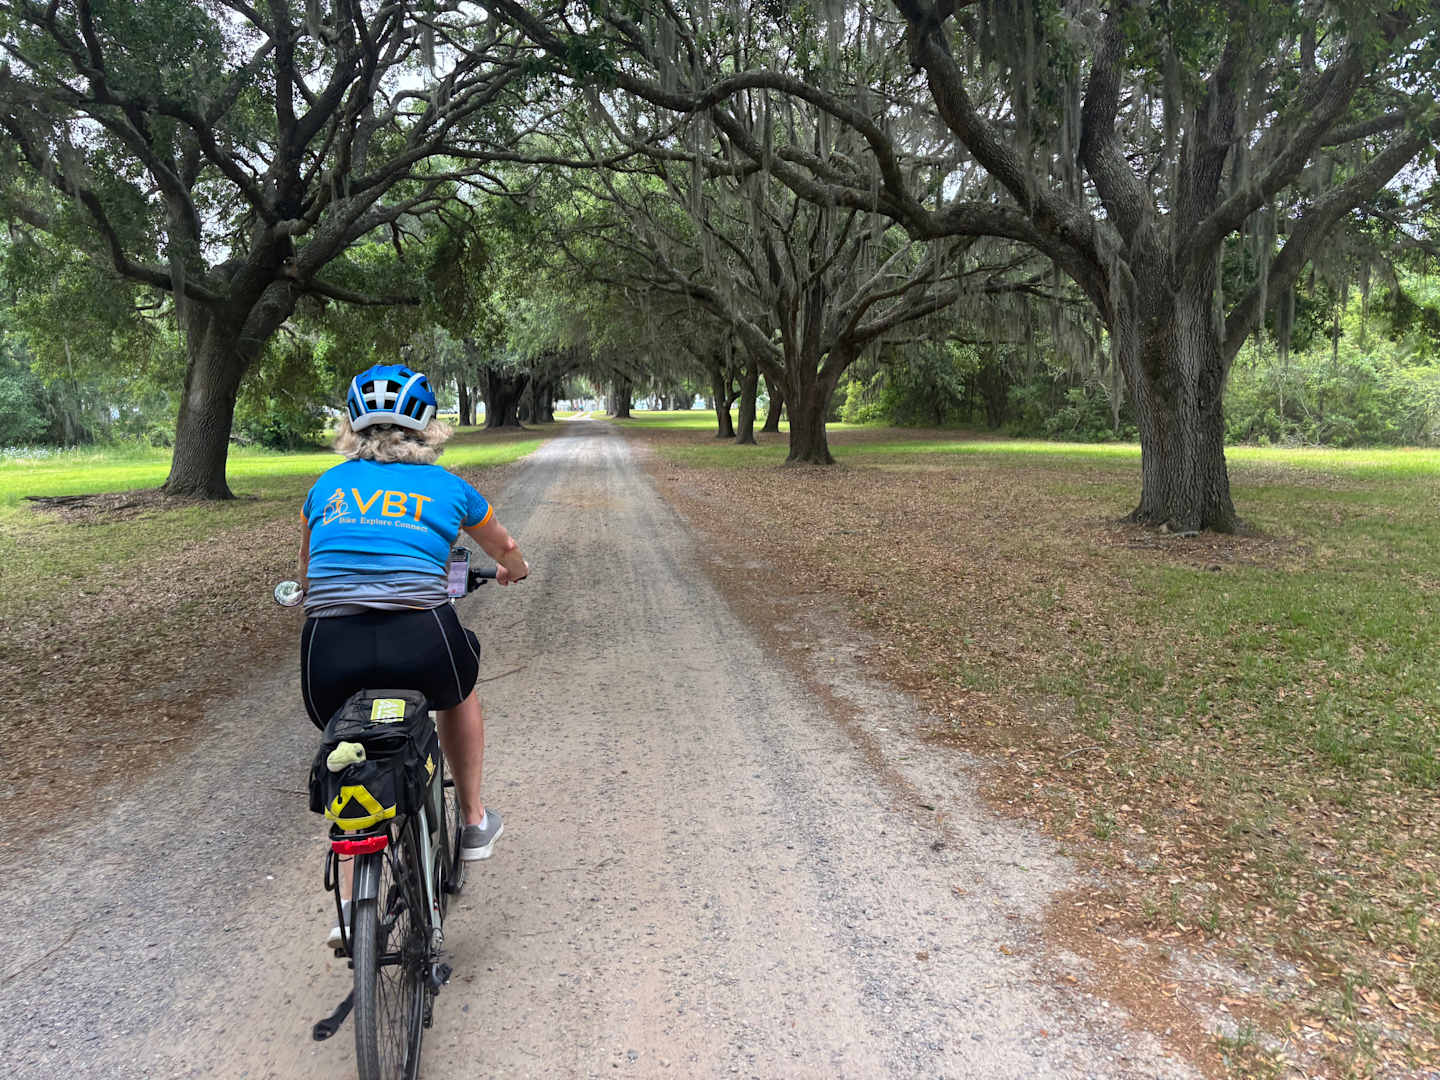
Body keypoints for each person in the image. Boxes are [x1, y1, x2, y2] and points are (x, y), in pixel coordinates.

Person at [297, 364, 529, 942]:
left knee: (348, 741)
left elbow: (305, 573)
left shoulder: (325, 487)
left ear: (353, 427)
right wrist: (511, 571)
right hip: (420, 636)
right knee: (459, 689)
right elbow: (506, 547)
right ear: (427, 426)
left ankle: (351, 912)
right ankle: (473, 820)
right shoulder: (450, 487)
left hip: (329, 647)